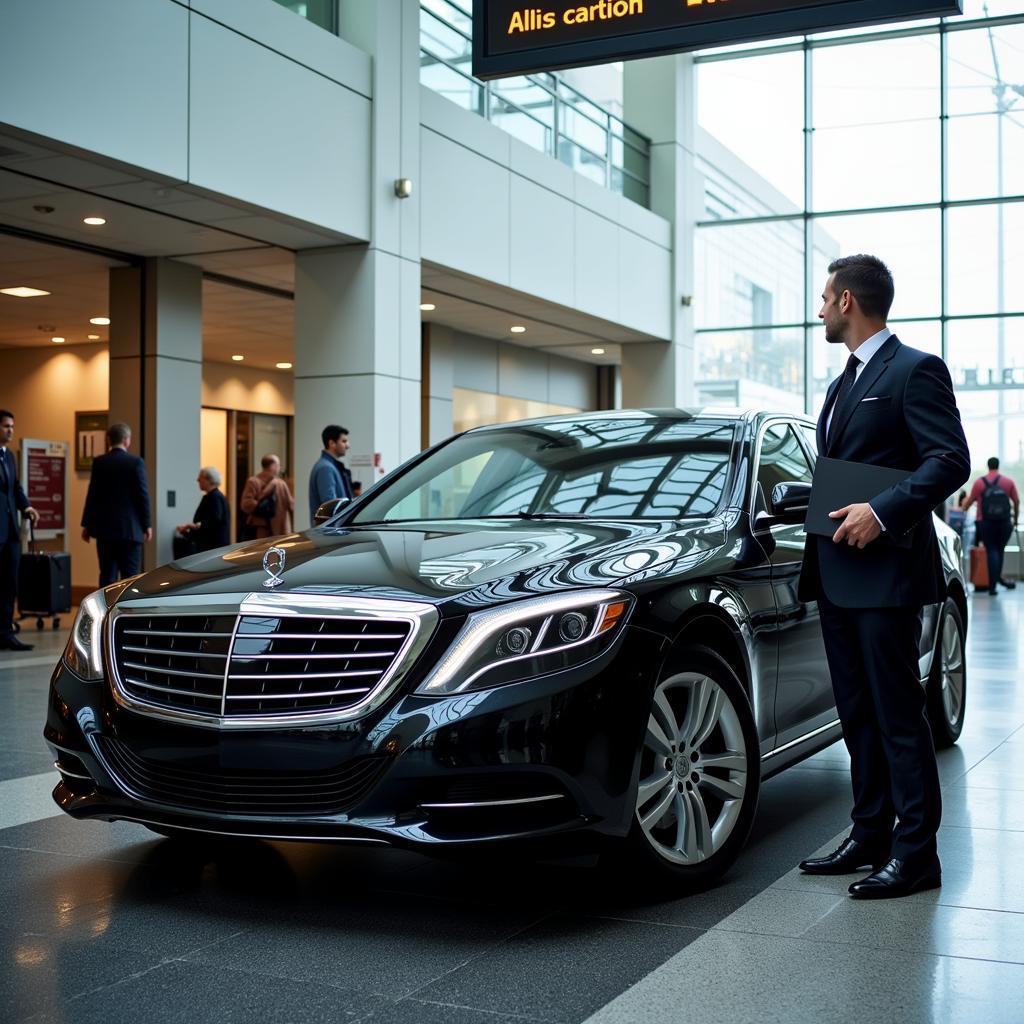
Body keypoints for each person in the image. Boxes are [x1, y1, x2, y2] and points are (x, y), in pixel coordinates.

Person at [796, 255, 970, 900]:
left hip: (887, 569)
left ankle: (916, 854)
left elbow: (949, 459)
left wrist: (884, 510)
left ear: (847, 300)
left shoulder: (915, 369)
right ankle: (868, 832)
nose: (818, 310)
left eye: (822, 299)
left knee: (899, 715)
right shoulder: (843, 381)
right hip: (838, 569)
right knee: (857, 712)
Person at [81, 422, 152, 587]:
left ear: (108, 440)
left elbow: (92, 495)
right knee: (130, 577)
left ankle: (106, 611)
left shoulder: (99, 462)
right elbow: (142, 496)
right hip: (130, 529)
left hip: (105, 530)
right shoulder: (135, 462)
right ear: (127, 440)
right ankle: (128, 611)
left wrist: (87, 525)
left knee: (107, 576)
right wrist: (147, 524)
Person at [0, 410, 40, 651]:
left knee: (8, 584)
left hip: (10, 533)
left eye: (12, 426)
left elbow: (14, 487)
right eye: (6, 426)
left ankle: (5, 633)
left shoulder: (9, 456)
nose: (10, 430)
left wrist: (26, 506)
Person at [962, 457, 1019, 595]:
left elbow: (967, 504)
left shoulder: (979, 483)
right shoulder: (1008, 482)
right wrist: (1015, 520)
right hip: (1005, 522)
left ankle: (993, 586)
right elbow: (1016, 501)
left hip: (986, 523)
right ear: (998, 466)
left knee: (992, 551)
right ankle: (998, 580)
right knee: (999, 551)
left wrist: (964, 504)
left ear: (988, 466)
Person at [175, 467, 230, 553]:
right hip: (211, 547)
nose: (197, 480)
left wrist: (191, 526)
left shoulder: (215, 497)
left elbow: (213, 522)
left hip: (213, 548)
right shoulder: (212, 497)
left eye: (200, 477)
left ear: (209, 480)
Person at [240, 454, 294, 539]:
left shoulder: (253, 481)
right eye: (278, 465)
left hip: (261, 528)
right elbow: (291, 505)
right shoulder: (281, 484)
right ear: (273, 466)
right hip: (278, 528)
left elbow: (246, 504)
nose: (279, 468)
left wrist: (259, 506)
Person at [308, 424, 353, 524]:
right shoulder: (326, 468)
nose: (348, 445)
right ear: (332, 443)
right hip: (330, 533)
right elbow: (331, 507)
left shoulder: (330, 466)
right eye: (344, 441)